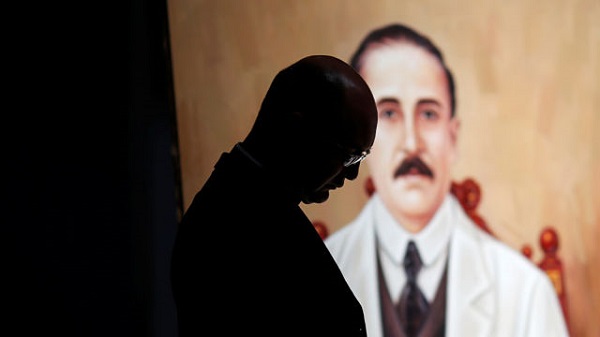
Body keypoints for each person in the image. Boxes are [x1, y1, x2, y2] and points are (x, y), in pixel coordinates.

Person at [324, 23, 569, 337]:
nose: (412, 143)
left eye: (428, 114)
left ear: (453, 136)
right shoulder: (311, 280)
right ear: (359, 138)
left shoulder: (525, 292)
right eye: (388, 113)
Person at [170, 55, 377, 336]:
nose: (352, 175)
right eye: (350, 156)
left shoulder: (255, 203)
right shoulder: (229, 226)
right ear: (296, 130)